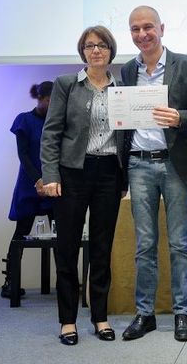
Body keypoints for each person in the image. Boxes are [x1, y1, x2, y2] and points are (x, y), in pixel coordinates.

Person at [120, 6, 187, 342]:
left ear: (162, 28)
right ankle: (145, 314)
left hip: (175, 164)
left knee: (179, 243)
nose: (142, 35)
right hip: (138, 164)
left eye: (148, 28)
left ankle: (181, 313)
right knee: (144, 244)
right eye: (134, 29)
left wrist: (179, 117)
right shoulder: (128, 70)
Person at [41, 25, 126, 345]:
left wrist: (124, 178)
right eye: (90, 46)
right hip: (72, 173)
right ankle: (67, 321)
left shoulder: (121, 87)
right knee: (67, 249)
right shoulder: (66, 84)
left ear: (110, 50)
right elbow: (50, 134)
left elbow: (128, 137)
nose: (96, 51)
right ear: (83, 51)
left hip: (109, 173)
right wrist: (50, 176)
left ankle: (100, 317)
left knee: (102, 250)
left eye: (102, 45)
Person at [2, 81, 54, 299]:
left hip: (54, 184)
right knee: (21, 233)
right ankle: (10, 281)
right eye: (48, 100)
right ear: (39, 98)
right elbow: (23, 155)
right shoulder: (24, 120)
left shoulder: (58, 122)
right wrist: (37, 179)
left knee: (62, 235)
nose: (51, 105)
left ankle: (67, 281)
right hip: (29, 184)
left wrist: (49, 180)